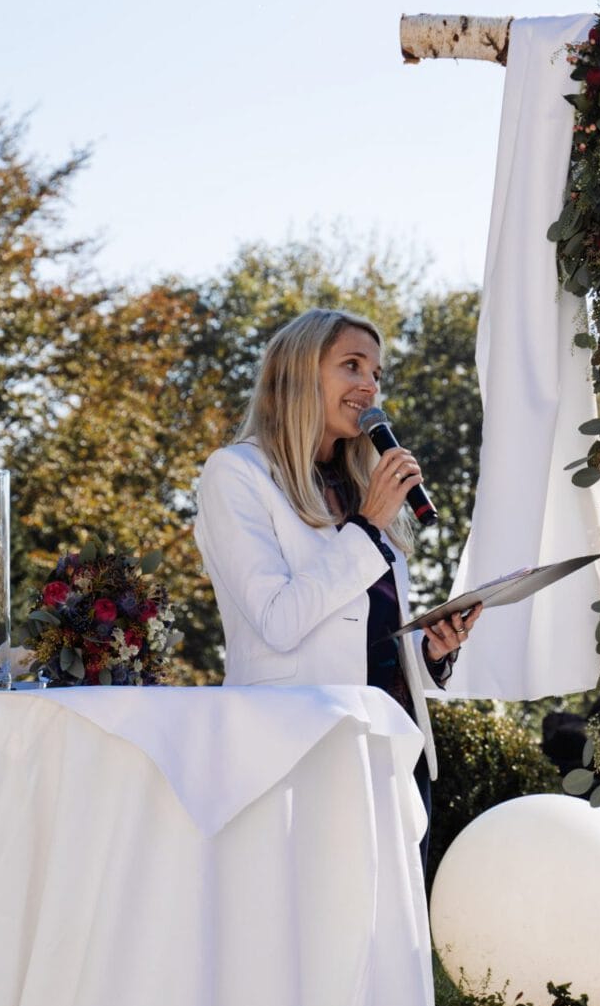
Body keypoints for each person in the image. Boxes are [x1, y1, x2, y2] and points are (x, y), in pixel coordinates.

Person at [193, 308, 479, 886]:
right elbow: (278, 621)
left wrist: (431, 651)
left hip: (394, 747)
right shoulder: (238, 474)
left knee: (392, 931)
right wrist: (367, 527)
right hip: (302, 752)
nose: (370, 385)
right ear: (298, 373)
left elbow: (366, 634)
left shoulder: (359, 486)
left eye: (376, 372)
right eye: (352, 365)